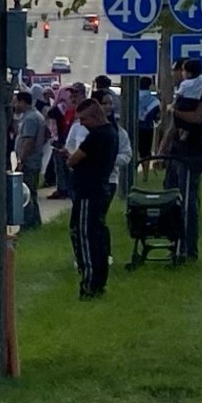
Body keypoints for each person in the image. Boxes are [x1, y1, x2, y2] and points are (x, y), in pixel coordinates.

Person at [67, 98, 118, 300]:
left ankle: (89, 284)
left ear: (95, 117)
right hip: (99, 189)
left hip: (89, 191)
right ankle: (99, 281)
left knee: (86, 236)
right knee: (97, 236)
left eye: (84, 119)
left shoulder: (97, 136)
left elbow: (74, 159)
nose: (82, 124)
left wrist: (69, 157)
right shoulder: (111, 133)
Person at [162, 58, 202, 259]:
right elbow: (173, 127)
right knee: (171, 198)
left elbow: (199, 117)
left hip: (191, 153)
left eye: (177, 70)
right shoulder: (182, 92)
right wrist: (163, 150)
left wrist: (174, 110)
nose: (175, 74)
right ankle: (174, 242)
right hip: (176, 152)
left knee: (188, 201)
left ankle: (188, 249)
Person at [12, 91, 47, 230]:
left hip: (29, 161)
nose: (15, 105)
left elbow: (28, 141)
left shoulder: (31, 118)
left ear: (23, 102)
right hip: (34, 159)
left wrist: (21, 160)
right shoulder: (33, 116)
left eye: (16, 102)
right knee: (31, 192)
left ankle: (29, 223)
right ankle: (34, 222)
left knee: (27, 193)